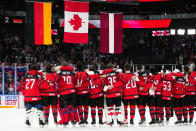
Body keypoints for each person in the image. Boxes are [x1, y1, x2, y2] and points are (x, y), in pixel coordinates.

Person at [56, 61, 79, 126]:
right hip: (72, 91)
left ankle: (66, 121)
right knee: (72, 106)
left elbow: (56, 80)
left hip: (64, 92)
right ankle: (73, 120)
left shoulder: (59, 72)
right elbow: (75, 80)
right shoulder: (72, 72)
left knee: (64, 107)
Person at [75, 61, 90, 126]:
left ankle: (81, 119)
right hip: (86, 92)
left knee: (79, 106)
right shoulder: (86, 73)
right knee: (86, 106)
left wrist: (77, 86)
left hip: (79, 92)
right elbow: (89, 82)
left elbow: (73, 82)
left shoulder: (75, 73)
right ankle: (85, 119)